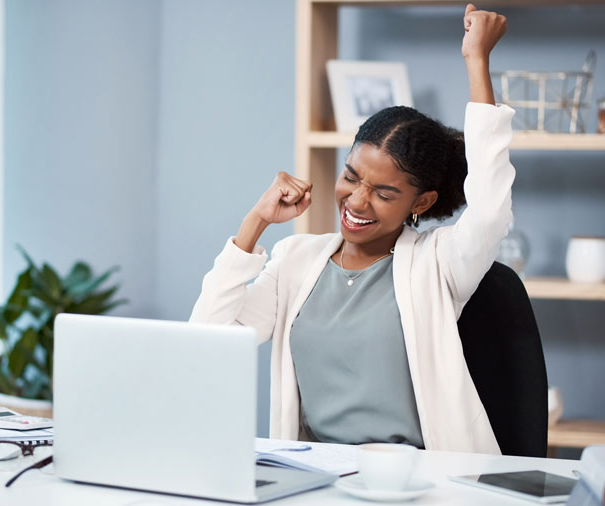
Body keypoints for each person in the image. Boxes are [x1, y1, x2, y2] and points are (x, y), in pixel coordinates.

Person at [190, 4, 512, 454]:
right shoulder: (296, 260)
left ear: (421, 203)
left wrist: (477, 60)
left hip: (417, 481)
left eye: (383, 193)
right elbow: (207, 336)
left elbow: (491, 207)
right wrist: (255, 222)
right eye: (351, 176)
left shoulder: (438, 263)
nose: (357, 201)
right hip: (317, 477)